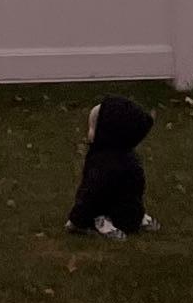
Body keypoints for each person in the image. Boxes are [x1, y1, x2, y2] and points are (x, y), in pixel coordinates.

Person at [66, 93, 156, 238]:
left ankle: (128, 216)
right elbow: (92, 191)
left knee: (123, 198)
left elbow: (91, 190)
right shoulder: (112, 160)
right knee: (112, 198)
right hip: (109, 203)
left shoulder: (109, 161)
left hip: (118, 202)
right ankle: (105, 218)